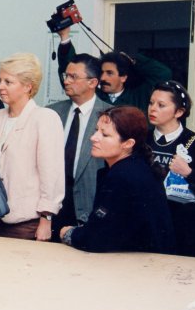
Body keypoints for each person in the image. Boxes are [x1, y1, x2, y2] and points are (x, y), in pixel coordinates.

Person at [60, 106, 175, 254]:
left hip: (141, 264)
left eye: (105, 135)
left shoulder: (123, 175)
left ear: (128, 144)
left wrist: (69, 233)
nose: (93, 137)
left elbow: (97, 239)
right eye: (96, 130)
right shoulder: (135, 165)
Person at [0, 53, 64, 241]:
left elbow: (51, 174)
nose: (0, 87)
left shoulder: (44, 118)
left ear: (28, 86)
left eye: (8, 82)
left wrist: (46, 219)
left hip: (27, 222)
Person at [147, 80, 195, 257]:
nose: (153, 109)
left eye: (161, 105)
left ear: (179, 111)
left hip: (185, 233)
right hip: (148, 226)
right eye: (151, 103)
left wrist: (189, 172)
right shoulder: (141, 138)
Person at [47, 53, 112, 233]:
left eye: (73, 77)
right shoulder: (51, 113)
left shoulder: (109, 115)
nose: (66, 81)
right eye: (66, 76)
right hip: (53, 204)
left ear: (92, 82)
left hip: (89, 203)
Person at [56, 26, 172, 113]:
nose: (103, 78)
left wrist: (134, 61)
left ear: (123, 77)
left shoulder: (139, 95)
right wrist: (64, 37)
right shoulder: (93, 94)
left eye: (110, 73)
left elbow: (163, 74)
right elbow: (70, 69)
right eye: (101, 72)